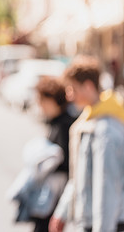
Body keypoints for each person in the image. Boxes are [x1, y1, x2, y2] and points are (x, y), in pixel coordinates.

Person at [49, 55, 124, 232]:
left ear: (88, 86)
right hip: (94, 221)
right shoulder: (89, 121)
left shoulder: (104, 130)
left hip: (104, 224)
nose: (69, 95)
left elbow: (107, 190)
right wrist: (62, 211)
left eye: (72, 89)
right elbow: (80, 177)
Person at [30, 76, 77, 232]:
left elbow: (68, 162)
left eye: (41, 100)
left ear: (51, 99)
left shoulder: (64, 124)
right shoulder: (56, 121)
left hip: (56, 194)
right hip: (52, 194)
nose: (39, 105)